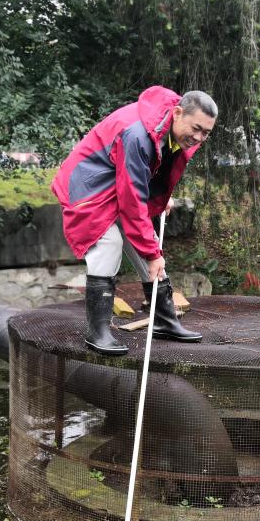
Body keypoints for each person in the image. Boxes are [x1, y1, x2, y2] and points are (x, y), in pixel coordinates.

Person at [51, 86, 217, 355]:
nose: (198, 138)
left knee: (149, 246)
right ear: (177, 113)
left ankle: (163, 320)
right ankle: (98, 333)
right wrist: (152, 252)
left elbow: (156, 168)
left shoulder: (171, 128)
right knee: (110, 243)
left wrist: (162, 200)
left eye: (206, 133)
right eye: (196, 128)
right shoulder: (137, 134)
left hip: (114, 184)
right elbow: (131, 197)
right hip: (87, 188)